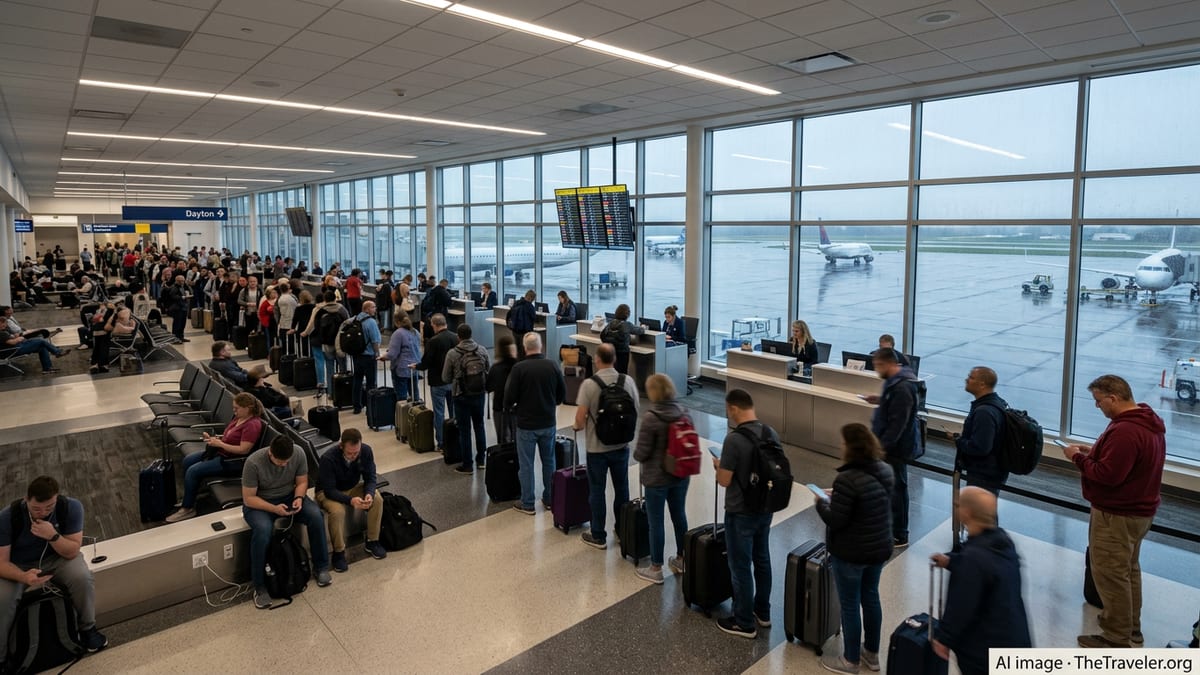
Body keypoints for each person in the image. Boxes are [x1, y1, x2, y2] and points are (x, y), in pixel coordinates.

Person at [1061, 374, 1165, 649]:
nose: (1097, 407)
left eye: (1098, 401)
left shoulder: (1125, 431)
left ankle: (1115, 638)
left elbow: (1107, 475)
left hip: (1116, 515)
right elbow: (1129, 460)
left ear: (1113, 398)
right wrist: (1096, 450)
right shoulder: (1147, 421)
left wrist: (1077, 457)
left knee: (1110, 574)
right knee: (1128, 570)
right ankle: (1131, 628)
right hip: (1140, 512)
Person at [814, 423, 895, 674]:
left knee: (849, 604)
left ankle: (850, 661)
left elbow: (836, 519)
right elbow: (868, 504)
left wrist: (821, 503)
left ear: (851, 447)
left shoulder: (847, 478)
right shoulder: (885, 470)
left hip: (852, 552)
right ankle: (871, 654)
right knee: (870, 597)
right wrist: (839, 495)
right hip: (879, 546)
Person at [0, 476, 108, 661]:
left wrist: (52, 536)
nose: (42, 512)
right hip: (19, 565)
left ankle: (88, 629)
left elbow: (73, 550)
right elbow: (2, 562)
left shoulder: (70, 507)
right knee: (3, 599)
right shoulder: (8, 517)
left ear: (56, 498)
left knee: (82, 578)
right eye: (36, 509)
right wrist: (23, 576)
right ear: (26, 500)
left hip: (57, 558)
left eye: (49, 507)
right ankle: (1, 655)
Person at [930, 487, 1031, 675]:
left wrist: (944, 639)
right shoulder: (1003, 542)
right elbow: (987, 568)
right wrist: (952, 561)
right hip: (1014, 639)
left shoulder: (973, 559)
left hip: (984, 650)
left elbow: (962, 606)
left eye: (958, 505)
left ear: (967, 513)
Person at [713, 388, 778, 639]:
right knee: (762, 559)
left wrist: (719, 467)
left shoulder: (734, 440)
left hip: (741, 511)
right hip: (765, 507)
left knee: (740, 565)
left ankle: (743, 621)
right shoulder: (769, 432)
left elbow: (725, 481)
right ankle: (763, 612)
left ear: (734, 408)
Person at [242, 436, 333, 610]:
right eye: (280, 462)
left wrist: (299, 497)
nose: (284, 465)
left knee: (315, 516)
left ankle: (321, 567)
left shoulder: (298, 453)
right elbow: (249, 499)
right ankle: (260, 586)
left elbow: (302, 482)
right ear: (270, 453)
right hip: (260, 503)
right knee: (263, 531)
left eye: (287, 462)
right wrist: (274, 509)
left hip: (289, 496)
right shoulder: (253, 463)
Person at [572, 343, 638, 550]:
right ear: (615, 359)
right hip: (621, 446)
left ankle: (598, 534)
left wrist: (577, 426)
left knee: (597, 491)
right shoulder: (627, 381)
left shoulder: (590, 385)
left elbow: (580, 420)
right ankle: (622, 530)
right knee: (622, 489)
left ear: (597, 360)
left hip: (597, 449)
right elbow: (636, 410)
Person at [165, 393, 265, 523]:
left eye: (237, 408)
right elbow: (229, 437)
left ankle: (188, 508)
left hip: (232, 461)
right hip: (221, 452)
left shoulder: (252, 425)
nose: (234, 411)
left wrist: (220, 444)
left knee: (193, 471)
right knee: (188, 460)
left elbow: (243, 450)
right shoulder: (238, 418)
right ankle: (191, 495)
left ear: (248, 408)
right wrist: (214, 439)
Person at [632, 373, 690, 584]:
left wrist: (639, 455)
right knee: (679, 516)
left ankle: (656, 567)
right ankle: (682, 559)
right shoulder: (684, 412)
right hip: (681, 475)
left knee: (655, 522)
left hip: (657, 479)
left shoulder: (651, 417)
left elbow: (641, 453)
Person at [864, 348, 921, 548]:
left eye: (878, 365)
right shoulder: (895, 382)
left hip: (896, 448)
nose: (875, 369)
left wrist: (881, 446)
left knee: (898, 489)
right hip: (891, 446)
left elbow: (898, 423)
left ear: (889, 363)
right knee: (891, 486)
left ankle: (900, 534)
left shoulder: (902, 387)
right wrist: (879, 400)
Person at [504, 333, 565, 515]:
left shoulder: (519, 368)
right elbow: (562, 393)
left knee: (527, 464)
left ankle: (528, 502)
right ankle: (549, 499)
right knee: (549, 461)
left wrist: (513, 407)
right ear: (541, 346)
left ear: (524, 348)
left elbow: (509, 397)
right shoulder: (552, 365)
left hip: (526, 424)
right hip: (548, 422)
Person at [317, 428, 387, 572]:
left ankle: (372, 540)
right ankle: (339, 552)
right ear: (341, 446)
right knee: (337, 512)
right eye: (350, 453)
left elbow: (371, 477)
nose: (354, 456)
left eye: (356, 452)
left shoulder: (366, 451)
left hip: (352, 486)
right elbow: (329, 490)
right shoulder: (328, 459)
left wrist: (369, 493)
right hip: (328, 491)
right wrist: (350, 500)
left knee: (377, 498)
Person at [953, 366, 1009, 496]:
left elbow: (981, 448)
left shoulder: (984, 412)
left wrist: (959, 440)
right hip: (991, 471)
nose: (966, 380)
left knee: (980, 513)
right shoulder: (997, 403)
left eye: (971, 377)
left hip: (984, 474)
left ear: (982, 384)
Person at [443, 323, 491, 474]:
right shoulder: (482, 350)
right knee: (479, 425)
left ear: (458, 336)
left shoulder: (452, 353)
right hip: (479, 393)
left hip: (460, 395)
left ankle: (467, 465)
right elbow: (488, 369)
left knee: (464, 430)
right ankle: (481, 460)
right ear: (471, 334)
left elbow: (445, 377)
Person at [413, 314, 457, 452]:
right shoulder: (455, 338)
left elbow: (426, 362)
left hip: (438, 381)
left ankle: (442, 442)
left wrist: (417, 366)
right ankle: (455, 438)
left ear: (434, 325)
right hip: (454, 381)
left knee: (439, 412)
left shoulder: (433, 341)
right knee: (454, 411)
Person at [303, 290, 349, 390]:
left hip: (327, 343)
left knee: (329, 366)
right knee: (342, 366)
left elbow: (315, 326)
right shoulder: (341, 309)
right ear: (335, 298)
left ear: (325, 299)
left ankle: (331, 391)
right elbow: (348, 323)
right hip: (340, 343)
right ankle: (343, 390)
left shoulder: (320, 311)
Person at [348, 300, 382, 416]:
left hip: (357, 355)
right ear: (367, 309)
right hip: (368, 356)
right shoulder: (371, 322)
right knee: (371, 383)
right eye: (373, 307)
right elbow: (375, 340)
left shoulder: (354, 319)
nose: (375, 309)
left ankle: (357, 406)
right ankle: (370, 408)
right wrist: (377, 353)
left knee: (357, 380)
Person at [383, 313, 421, 404]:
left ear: (396, 322)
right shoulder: (415, 332)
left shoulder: (398, 333)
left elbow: (392, 354)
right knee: (415, 395)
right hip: (414, 367)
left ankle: (403, 417)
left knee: (402, 397)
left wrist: (384, 356)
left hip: (401, 368)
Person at [486, 335, 517, 445]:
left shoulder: (495, 368)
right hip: (516, 407)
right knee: (517, 436)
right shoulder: (519, 366)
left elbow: (488, 387)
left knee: (502, 437)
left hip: (499, 406)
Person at [600, 303, 645, 375]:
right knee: (622, 373)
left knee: (612, 372)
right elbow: (640, 331)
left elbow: (602, 335)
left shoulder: (611, 322)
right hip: (622, 352)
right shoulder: (627, 324)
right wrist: (643, 327)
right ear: (627, 314)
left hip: (611, 351)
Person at [0, 325, 64, 375]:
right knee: (41, 341)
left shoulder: (3, 332)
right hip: (14, 350)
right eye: (4, 324)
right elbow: (12, 342)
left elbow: (11, 339)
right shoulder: (1, 334)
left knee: (42, 346)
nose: (5, 326)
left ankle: (47, 368)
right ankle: (57, 352)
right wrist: (19, 338)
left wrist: (16, 337)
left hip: (13, 348)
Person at [160, 274, 190, 343]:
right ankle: (175, 338)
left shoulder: (182, 286)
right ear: (176, 281)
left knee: (183, 323)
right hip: (177, 308)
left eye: (183, 281)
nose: (182, 282)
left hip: (183, 307)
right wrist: (182, 297)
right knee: (177, 324)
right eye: (180, 281)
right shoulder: (174, 287)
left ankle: (181, 337)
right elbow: (173, 296)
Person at [506, 290, 537, 357]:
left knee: (518, 348)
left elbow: (510, 314)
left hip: (515, 330)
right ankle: (524, 364)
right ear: (532, 298)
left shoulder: (516, 303)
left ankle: (518, 363)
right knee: (525, 350)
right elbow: (534, 317)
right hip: (525, 331)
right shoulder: (530, 306)